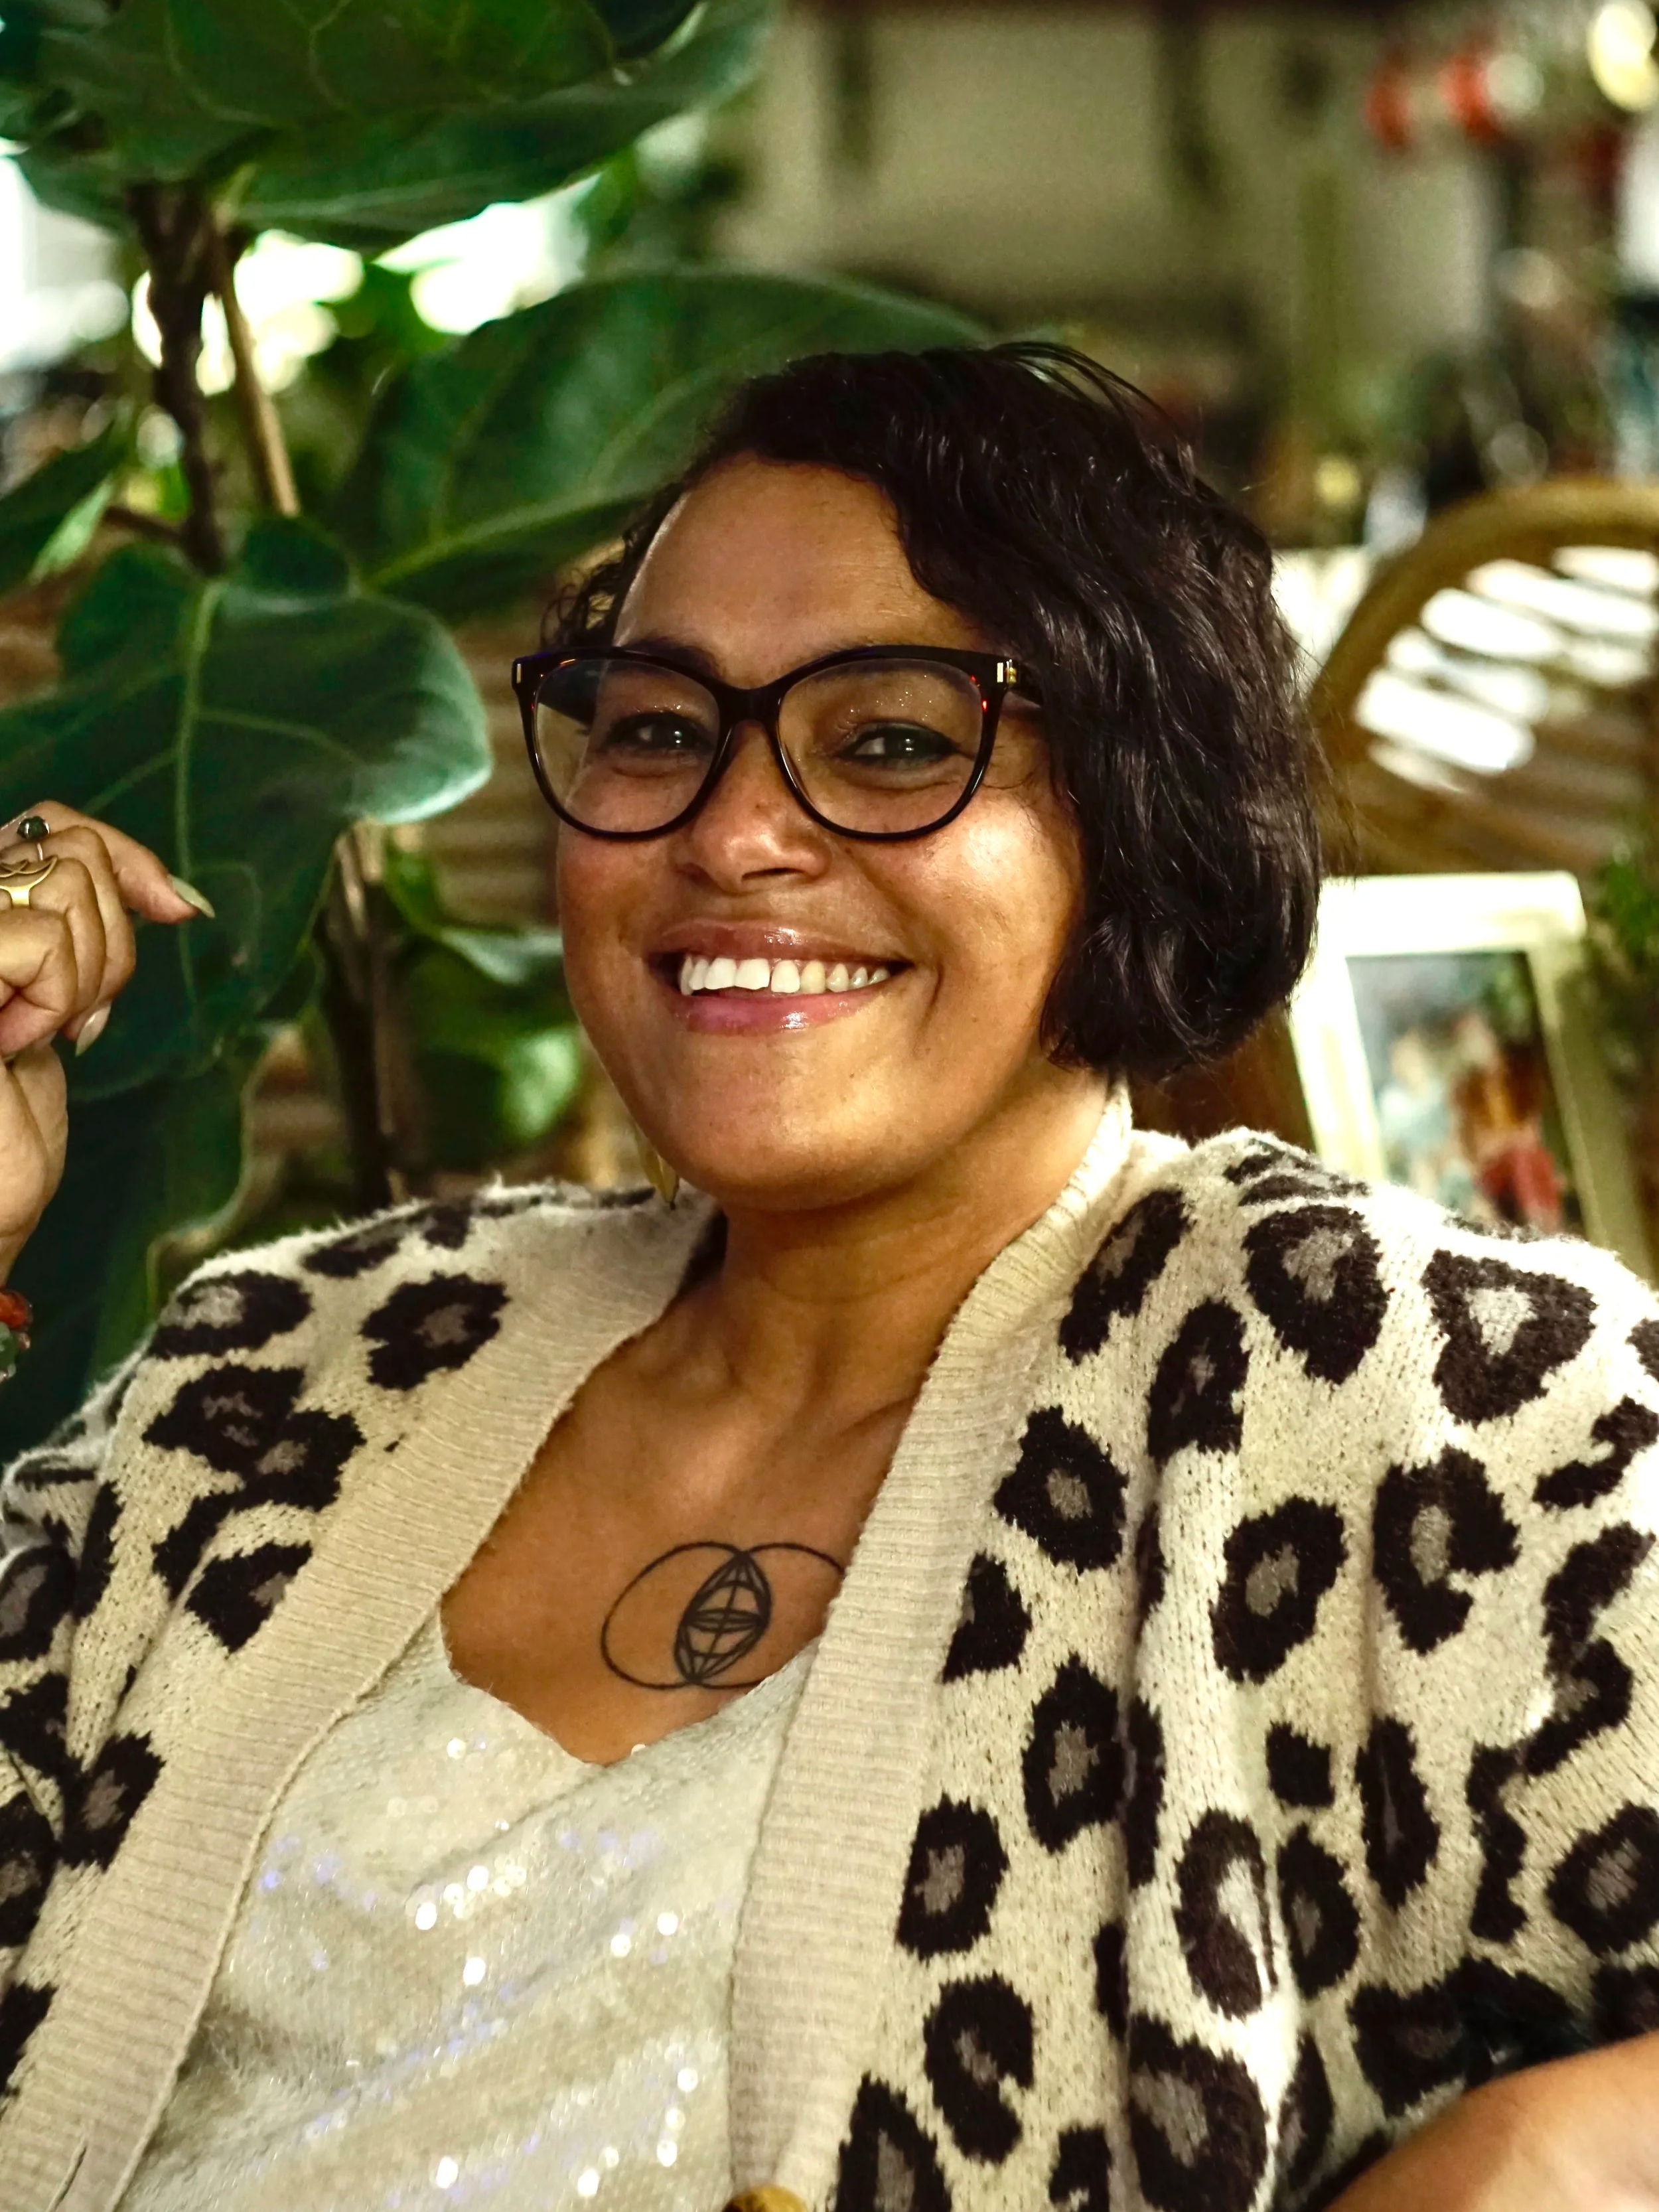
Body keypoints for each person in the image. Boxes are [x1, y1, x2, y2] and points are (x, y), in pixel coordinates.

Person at [0, 344, 1655, 2212]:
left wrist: (1528, 2161)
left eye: (889, 741)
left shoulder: (1399, 1392)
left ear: (1138, 802)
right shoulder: (297, 1367)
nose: (727, 831)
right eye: (653, 728)